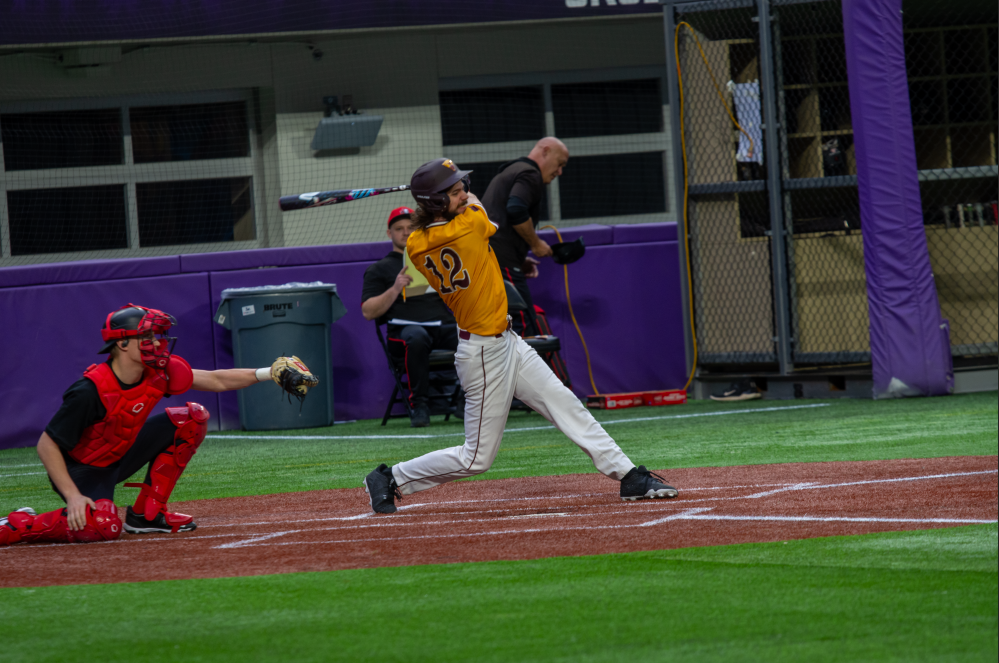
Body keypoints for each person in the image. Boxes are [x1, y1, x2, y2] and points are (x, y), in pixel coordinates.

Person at [362, 158, 678, 514]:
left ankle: (628, 475)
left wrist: (439, 194)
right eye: (454, 191)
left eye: (462, 187)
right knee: (476, 459)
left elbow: (455, 224)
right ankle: (392, 477)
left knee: (564, 403)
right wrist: (449, 196)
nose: (464, 193)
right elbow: (480, 213)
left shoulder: (417, 242)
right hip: (483, 354)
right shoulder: (468, 225)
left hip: (507, 341)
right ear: (435, 202)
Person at [0, 304, 316, 547]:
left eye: (156, 335)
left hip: (120, 455)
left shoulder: (158, 373)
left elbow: (216, 379)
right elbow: (47, 444)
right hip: (81, 471)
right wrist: (72, 495)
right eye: (147, 336)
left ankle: (148, 515)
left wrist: (268, 372)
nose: (156, 342)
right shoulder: (90, 390)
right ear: (123, 345)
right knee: (104, 527)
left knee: (191, 418)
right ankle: (17, 524)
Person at [361, 207, 460, 427]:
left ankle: (468, 399)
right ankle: (420, 406)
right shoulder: (379, 269)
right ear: (389, 233)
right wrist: (395, 288)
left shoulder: (433, 260)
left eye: (411, 228)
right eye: (399, 229)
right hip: (404, 332)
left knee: (472, 332)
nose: (406, 233)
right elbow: (368, 311)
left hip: (442, 325)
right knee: (416, 337)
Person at [482, 137, 569, 337]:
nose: (560, 172)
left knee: (510, 327)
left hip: (494, 261)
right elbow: (516, 209)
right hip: (501, 263)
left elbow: (501, 218)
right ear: (546, 151)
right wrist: (536, 244)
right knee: (523, 326)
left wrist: (520, 260)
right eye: (560, 164)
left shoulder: (512, 171)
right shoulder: (530, 173)